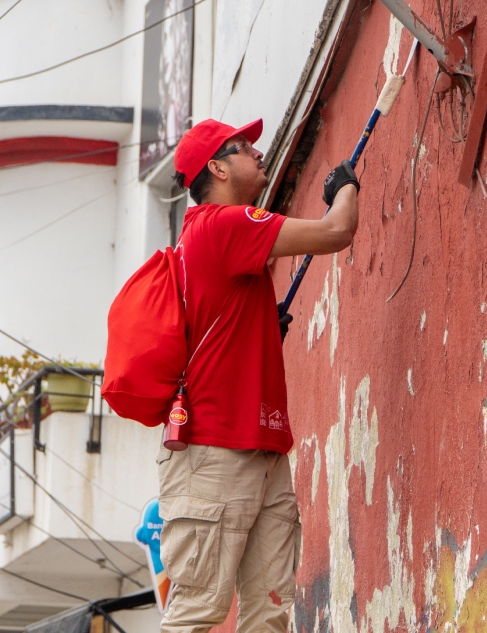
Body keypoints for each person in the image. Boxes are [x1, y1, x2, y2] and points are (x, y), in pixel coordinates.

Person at [157, 118, 359, 632]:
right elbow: (336, 232)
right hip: (217, 448)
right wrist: (344, 188)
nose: (259, 152)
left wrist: (263, 329)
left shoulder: (215, 237)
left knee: (268, 614)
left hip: (259, 446)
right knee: (198, 610)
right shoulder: (222, 223)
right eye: (244, 147)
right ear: (218, 169)